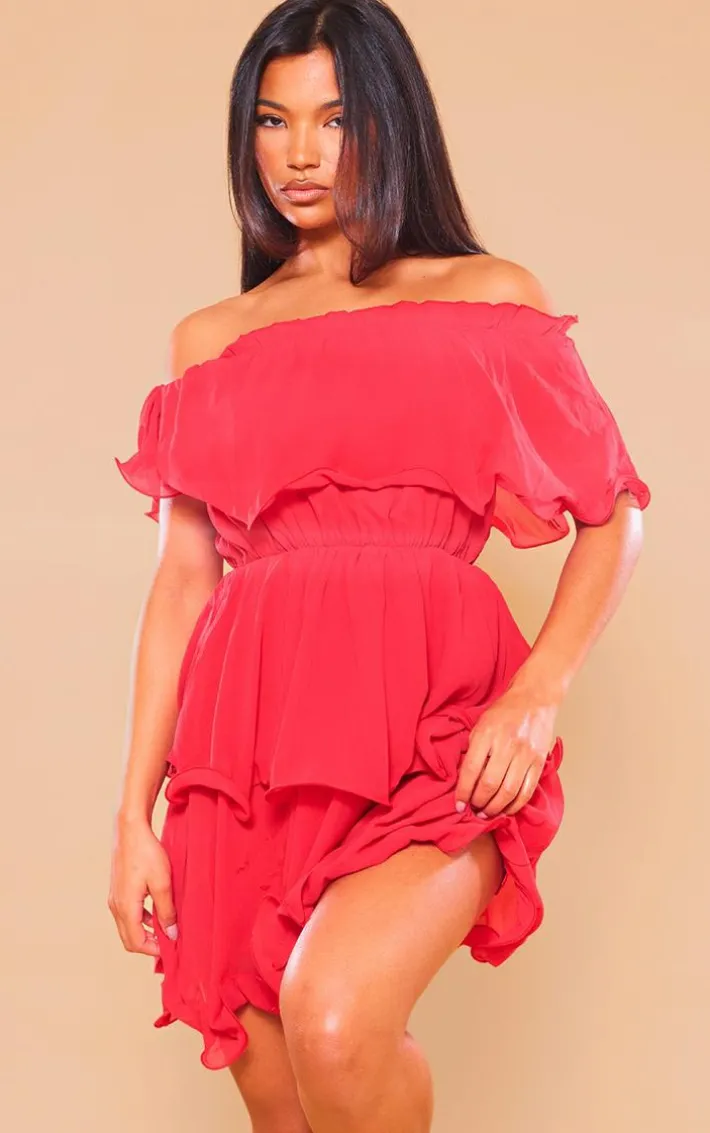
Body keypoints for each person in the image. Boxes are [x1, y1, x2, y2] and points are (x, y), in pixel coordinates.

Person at [109, 1, 651, 1130]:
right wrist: (132, 813)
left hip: (433, 728)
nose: (299, 154)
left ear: (391, 121)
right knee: (282, 1095)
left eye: (334, 118)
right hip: (244, 750)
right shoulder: (212, 341)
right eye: (272, 121)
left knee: (337, 1020)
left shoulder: (486, 298)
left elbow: (612, 517)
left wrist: (536, 692)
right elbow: (183, 584)